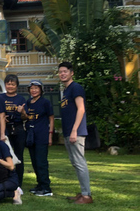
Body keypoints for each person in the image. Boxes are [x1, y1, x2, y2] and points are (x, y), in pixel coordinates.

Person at [58, 62, 93, 204]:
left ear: (71, 73)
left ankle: (86, 196)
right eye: (60, 72)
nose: (62, 74)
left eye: (65, 71)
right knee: (75, 162)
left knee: (79, 162)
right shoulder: (66, 91)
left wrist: (74, 130)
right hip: (68, 132)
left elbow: (81, 109)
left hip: (76, 132)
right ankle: (83, 193)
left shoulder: (76, 88)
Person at [25, 80, 54, 197]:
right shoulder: (28, 102)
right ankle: (40, 184)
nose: (34, 90)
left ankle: (46, 187)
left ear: (41, 90)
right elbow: (26, 117)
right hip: (31, 135)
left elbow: (51, 118)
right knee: (34, 162)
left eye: (36, 88)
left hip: (42, 135)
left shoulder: (45, 102)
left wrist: (50, 134)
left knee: (41, 162)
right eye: (32, 88)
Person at [0, 74, 27, 189]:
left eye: (13, 84)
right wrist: (2, 118)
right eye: (8, 84)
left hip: (18, 129)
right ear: (5, 85)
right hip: (5, 129)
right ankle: (6, 179)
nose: (10, 86)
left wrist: (22, 112)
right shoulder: (0, 97)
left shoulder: (21, 99)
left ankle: (19, 183)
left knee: (19, 156)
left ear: (16, 86)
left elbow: (25, 118)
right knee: (6, 155)